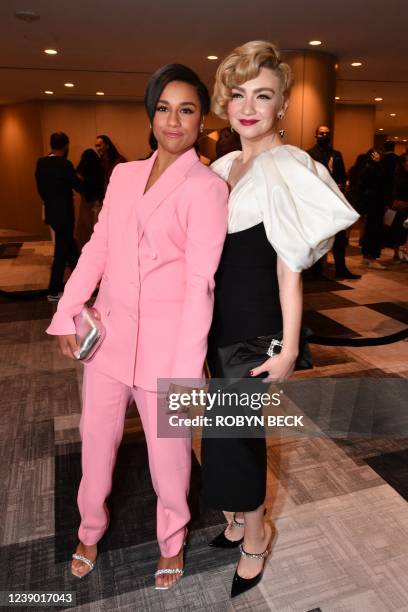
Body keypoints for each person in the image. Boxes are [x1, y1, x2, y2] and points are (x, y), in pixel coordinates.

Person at [46, 65, 228, 588]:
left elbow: (200, 285)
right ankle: (88, 528)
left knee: (168, 460)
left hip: (168, 350)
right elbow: (97, 249)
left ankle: (172, 539)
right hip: (109, 340)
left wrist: (186, 370)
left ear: (201, 119)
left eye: (187, 109)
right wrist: (68, 313)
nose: (174, 120)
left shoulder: (207, 188)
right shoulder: (123, 175)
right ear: (151, 113)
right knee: (95, 442)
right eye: (164, 107)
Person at [200, 40, 359, 599]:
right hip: (214, 322)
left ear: (281, 105)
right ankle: (243, 518)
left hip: (256, 325)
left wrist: (290, 346)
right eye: (239, 94)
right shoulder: (222, 165)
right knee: (216, 430)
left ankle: (255, 534)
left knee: (235, 437)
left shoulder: (288, 166)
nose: (248, 106)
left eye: (262, 95)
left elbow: (290, 266)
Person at [308, 126, 361, 279]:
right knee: (320, 235)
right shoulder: (309, 154)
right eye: (321, 133)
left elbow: (342, 176)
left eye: (327, 133)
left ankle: (341, 268)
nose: (325, 135)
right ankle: (316, 271)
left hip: (335, 199)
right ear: (316, 135)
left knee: (339, 236)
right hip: (318, 200)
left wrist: (341, 186)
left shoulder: (336, 154)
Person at [35, 132, 81, 301]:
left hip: (52, 213)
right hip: (65, 215)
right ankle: (53, 290)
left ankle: (81, 283)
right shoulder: (65, 164)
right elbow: (77, 185)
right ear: (66, 145)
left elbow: (40, 188)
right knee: (62, 251)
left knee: (69, 249)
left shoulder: (41, 163)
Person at [360, 148, 388, 269]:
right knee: (374, 230)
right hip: (375, 203)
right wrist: (378, 164)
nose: (379, 156)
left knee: (370, 230)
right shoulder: (371, 169)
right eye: (376, 155)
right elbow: (380, 181)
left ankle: (367, 257)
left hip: (372, 203)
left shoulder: (369, 168)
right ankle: (371, 258)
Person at [75, 149, 105, 250]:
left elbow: (78, 183)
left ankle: (85, 251)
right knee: (97, 228)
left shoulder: (82, 169)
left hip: (86, 202)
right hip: (99, 201)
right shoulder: (100, 168)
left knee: (85, 229)